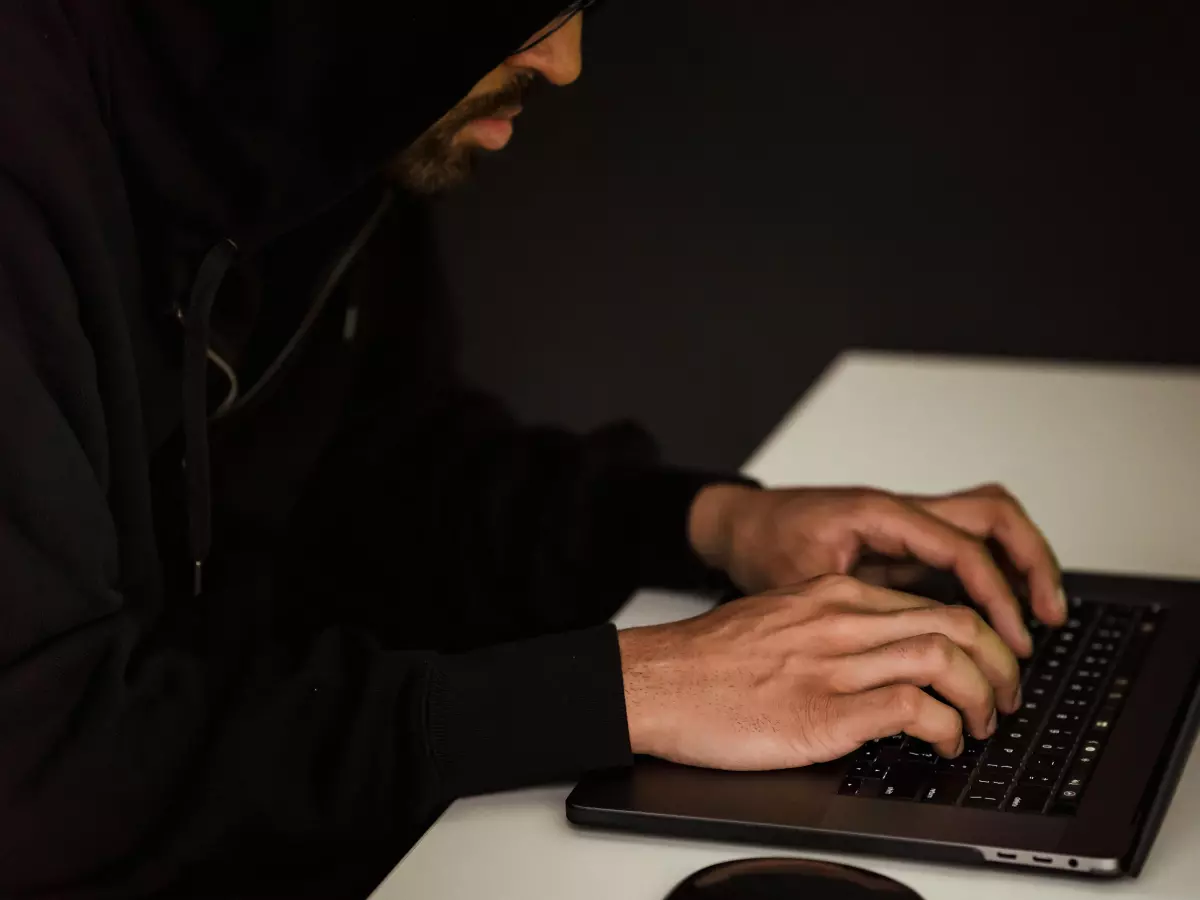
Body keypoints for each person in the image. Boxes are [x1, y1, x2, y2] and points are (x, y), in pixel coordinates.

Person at [0, 1, 1065, 896]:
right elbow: (37, 769)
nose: (563, 59)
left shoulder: (319, 109)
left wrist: (708, 523)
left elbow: (374, 477)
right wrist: (621, 692)